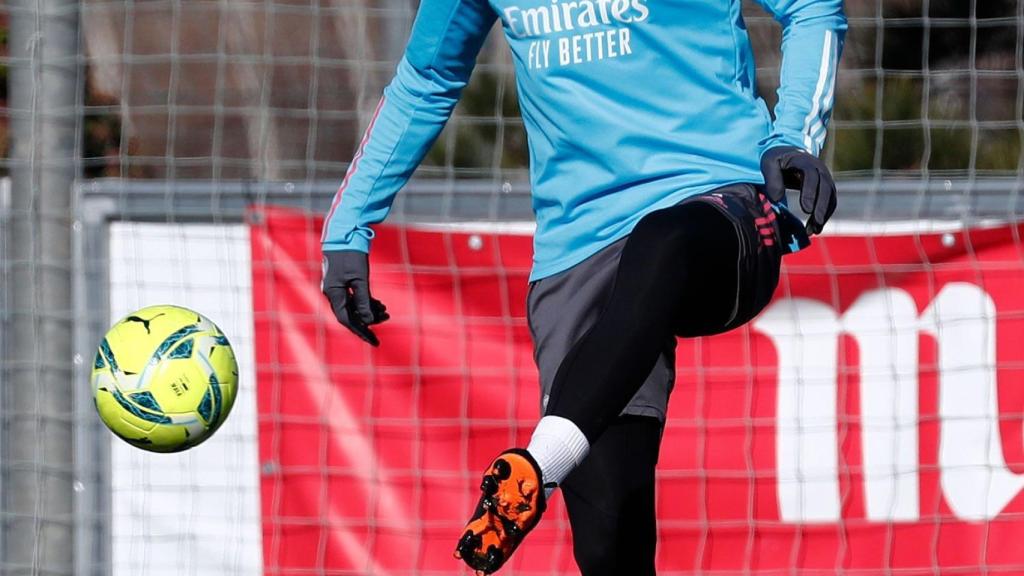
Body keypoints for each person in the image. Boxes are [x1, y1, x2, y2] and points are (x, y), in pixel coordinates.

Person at [320, 0, 846, 574]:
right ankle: (545, 470)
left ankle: (538, 465)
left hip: (719, 207)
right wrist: (350, 225)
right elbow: (427, 77)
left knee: (660, 243)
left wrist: (793, 134)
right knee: (607, 547)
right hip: (579, 246)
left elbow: (812, 8)